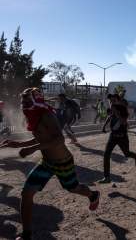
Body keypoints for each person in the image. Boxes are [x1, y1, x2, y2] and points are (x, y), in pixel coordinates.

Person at [0, 88, 99, 240]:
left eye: (26, 100)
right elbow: (41, 137)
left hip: (63, 162)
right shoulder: (33, 116)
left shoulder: (47, 115)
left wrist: (31, 149)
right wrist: (17, 144)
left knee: (73, 188)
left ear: (36, 100)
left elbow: (59, 140)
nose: (23, 104)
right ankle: (27, 234)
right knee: (26, 194)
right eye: (22, 101)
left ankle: (93, 195)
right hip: (46, 163)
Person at [99, 104, 136, 183]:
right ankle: (107, 177)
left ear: (117, 109)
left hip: (122, 138)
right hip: (113, 137)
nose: (111, 110)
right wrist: (104, 126)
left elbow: (124, 123)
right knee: (106, 154)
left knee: (127, 153)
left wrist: (118, 115)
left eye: (112, 108)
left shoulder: (123, 115)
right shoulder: (112, 115)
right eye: (111, 108)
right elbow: (108, 118)